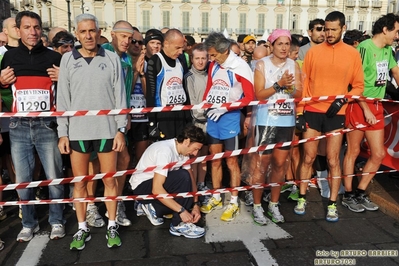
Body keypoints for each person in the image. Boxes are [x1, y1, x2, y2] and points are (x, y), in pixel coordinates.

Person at [57, 13, 127, 250]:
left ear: (99, 32)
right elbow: (63, 99)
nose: (88, 36)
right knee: (79, 183)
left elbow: (120, 96)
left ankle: (112, 225)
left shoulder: (111, 58)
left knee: (109, 180)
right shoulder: (67, 59)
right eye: (83, 31)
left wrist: (120, 129)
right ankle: (82, 228)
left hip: (107, 129)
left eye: (92, 31)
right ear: (76, 34)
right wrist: (62, 133)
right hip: (78, 132)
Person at [0, 11, 65, 242]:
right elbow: (3, 91)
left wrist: (64, 77)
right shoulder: (8, 58)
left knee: (54, 176)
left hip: (47, 125)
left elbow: (66, 91)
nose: (33, 32)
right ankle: (28, 223)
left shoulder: (53, 57)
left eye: (36, 27)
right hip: (18, 126)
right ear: (18, 30)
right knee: (23, 180)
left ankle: (57, 220)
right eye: (27, 27)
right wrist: (0, 81)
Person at [295, 11, 364, 222]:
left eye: (333, 29)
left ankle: (333, 203)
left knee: (334, 159)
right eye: (326, 29)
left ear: (343, 28)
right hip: (313, 111)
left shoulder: (352, 54)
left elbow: (359, 86)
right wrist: (300, 111)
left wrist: (343, 99)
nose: (329, 33)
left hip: (337, 112)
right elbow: (304, 85)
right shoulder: (314, 52)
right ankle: (302, 197)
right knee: (308, 157)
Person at [243, 29, 302, 224]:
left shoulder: (294, 65)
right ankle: (258, 206)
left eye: (287, 44)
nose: (284, 48)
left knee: (280, 165)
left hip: (286, 121)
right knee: (261, 166)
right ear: (272, 45)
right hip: (265, 121)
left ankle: (274, 204)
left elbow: (298, 93)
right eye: (280, 44)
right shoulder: (262, 64)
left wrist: (291, 88)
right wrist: (279, 84)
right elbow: (259, 94)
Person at [343, 13, 399, 213]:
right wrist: (365, 108)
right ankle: (348, 194)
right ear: (385, 29)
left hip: (376, 106)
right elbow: (352, 83)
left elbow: (396, 74)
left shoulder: (389, 50)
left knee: (378, 154)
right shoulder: (364, 48)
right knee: (353, 151)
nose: (397, 36)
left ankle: (360, 191)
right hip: (359, 105)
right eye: (396, 31)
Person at [199, 32, 254, 222]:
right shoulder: (214, 65)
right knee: (214, 159)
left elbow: (249, 97)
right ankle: (215, 196)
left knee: (231, 162)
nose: (211, 59)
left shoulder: (241, 66)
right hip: (213, 117)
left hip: (229, 118)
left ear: (224, 51)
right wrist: (205, 103)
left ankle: (234, 201)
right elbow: (210, 88)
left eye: (213, 55)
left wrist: (226, 108)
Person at [129, 125, 205, 238]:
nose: (195, 154)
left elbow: (192, 179)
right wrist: (182, 211)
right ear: (187, 141)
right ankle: (178, 224)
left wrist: (195, 204)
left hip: (153, 185)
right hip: (141, 187)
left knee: (190, 189)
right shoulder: (165, 151)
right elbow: (157, 189)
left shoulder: (183, 151)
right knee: (182, 177)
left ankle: (152, 207)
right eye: (195, 149)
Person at [102, 20, 135, 227]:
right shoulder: (102, 51)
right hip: (100, 117)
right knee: (95, 165)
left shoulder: (128, 58)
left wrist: (126, 114)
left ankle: (117, 202)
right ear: (112, 34)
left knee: (123, 160)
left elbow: (127, 89)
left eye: (130, 38)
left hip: (119, 116)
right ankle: (90, 207)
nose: (127, 41)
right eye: (123, 36)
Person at [145, 28, 190, 141]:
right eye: (177, 48)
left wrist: (188, 118)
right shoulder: (155, 61)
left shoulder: (180, 61)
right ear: (166, 44)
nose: (180, 52)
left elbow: (184, 89)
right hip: (163, 115)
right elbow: (150, 93)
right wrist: (152, 123)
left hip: (180, 114)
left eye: (182, 48)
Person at [183, 43, 209, 201]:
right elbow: (193, 105)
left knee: (204, 156)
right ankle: (192, 188)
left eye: (203, 58)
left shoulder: (211, 75)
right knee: (193, 157)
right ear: (191, 59)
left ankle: (201, 183)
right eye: (197, 58)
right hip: (195, 122)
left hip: (210, 121)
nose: (200, 61)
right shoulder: (188, 77)